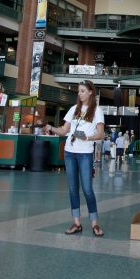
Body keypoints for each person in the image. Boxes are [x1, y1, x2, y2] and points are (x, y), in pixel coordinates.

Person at [49, 81, 105, 236]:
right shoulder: (73, 109)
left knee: (87, 189)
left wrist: (87, 137)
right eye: (78, 91)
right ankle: (76, 223)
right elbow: (64, 130)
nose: (79, 94)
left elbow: (101, 134)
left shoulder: (97, 111)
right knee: (73, 189)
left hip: (85, 154)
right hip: (69, 152)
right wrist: (51, 128)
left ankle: (95, 223)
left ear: (90, 92)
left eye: (82, 91)